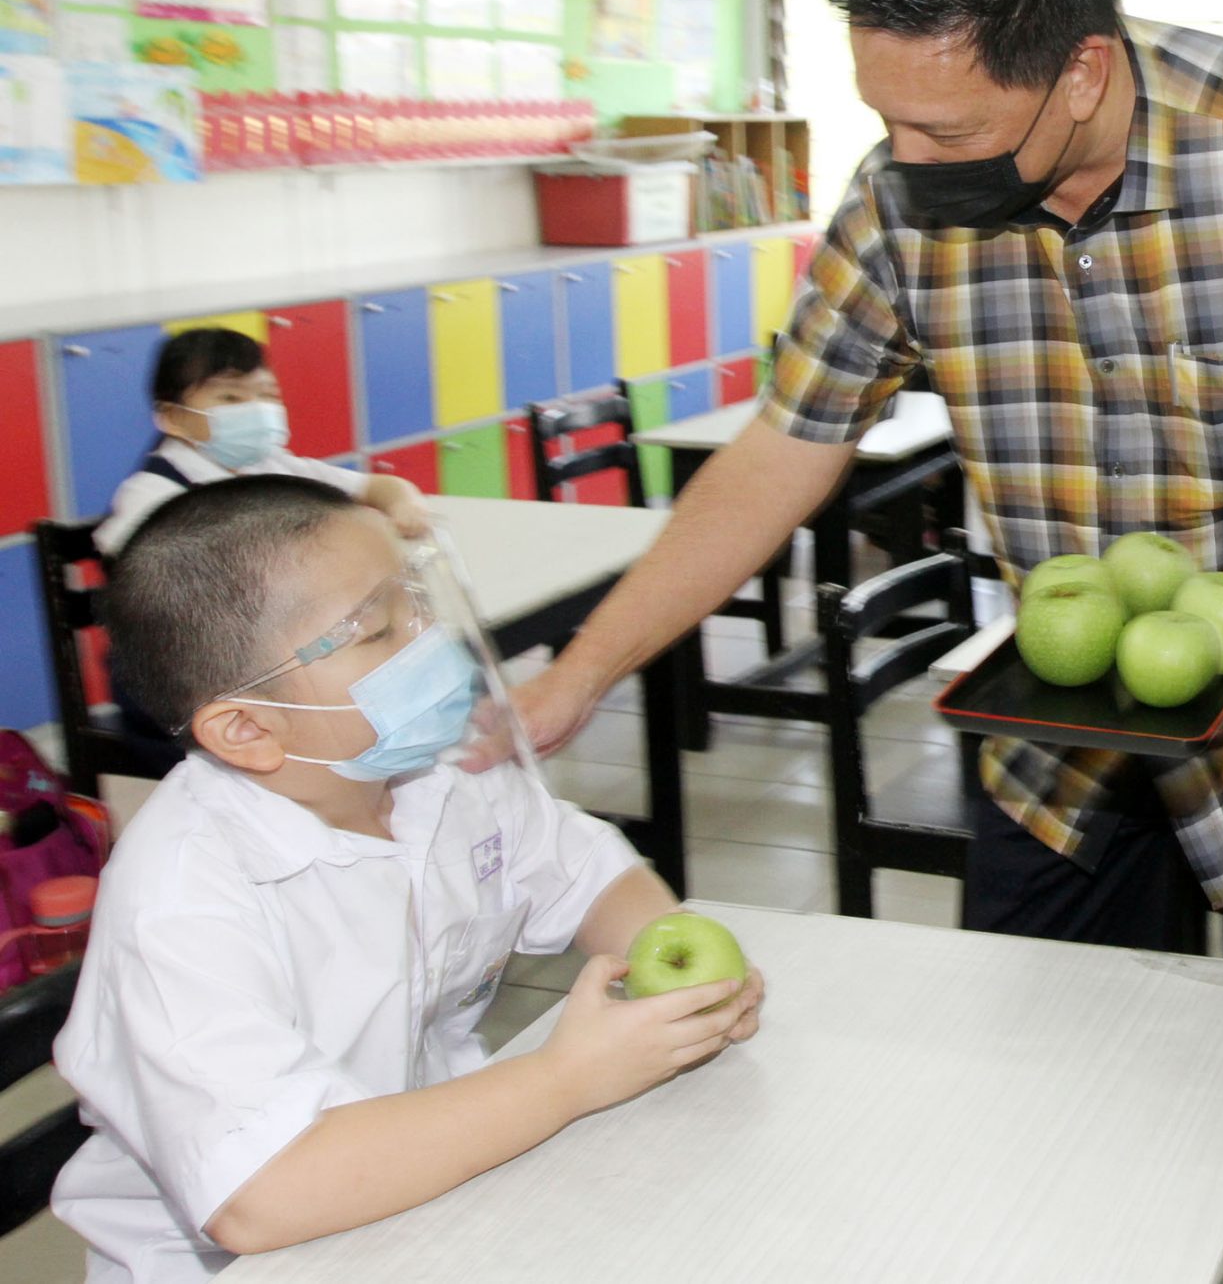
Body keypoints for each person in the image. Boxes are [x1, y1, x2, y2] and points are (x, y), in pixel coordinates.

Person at [505, 0, 1223, 1284]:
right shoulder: (902, 190)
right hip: (1055, 733)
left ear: (1082, 70)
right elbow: (787, 449)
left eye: (949, 127)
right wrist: (578, 674)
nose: (905, 164)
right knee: (1046, 1091)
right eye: (886, 120)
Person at [50, 476, 764, 1280]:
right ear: (247, 726)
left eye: (418, 601)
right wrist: (566, 1077)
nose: (428, 641)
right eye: (380, 629)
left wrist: (680, 990)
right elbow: (264, 1192)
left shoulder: (441, 769)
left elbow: (587, 871)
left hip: (431, 1184)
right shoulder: (182, 902)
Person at [95, 327, 430, 558]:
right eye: (230, 396)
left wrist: (403, 505)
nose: (256, 409)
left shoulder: (269, 464)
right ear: (174, 417)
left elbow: (379, 487)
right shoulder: (152, 494)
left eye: (267, 395)